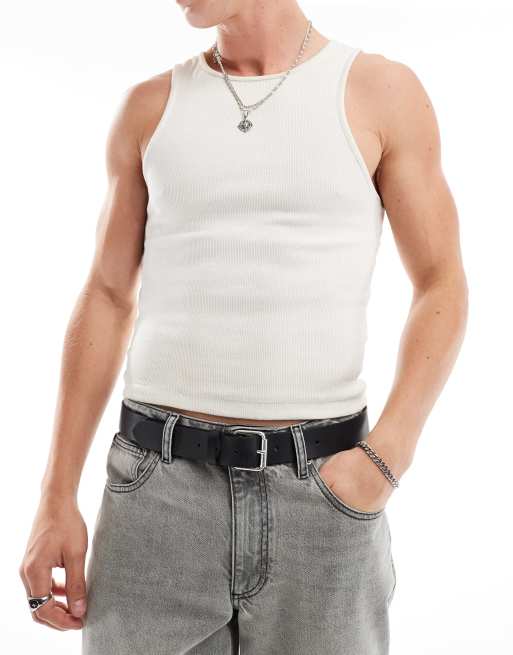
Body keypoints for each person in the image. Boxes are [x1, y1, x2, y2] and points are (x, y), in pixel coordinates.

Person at [19, 1, 468, 653]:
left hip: (323, 495)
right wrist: (56, 494)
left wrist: (386, 458)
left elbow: (441, 282)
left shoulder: (379, 92)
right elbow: (107, 295)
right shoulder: (150, 108)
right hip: (156, 496)